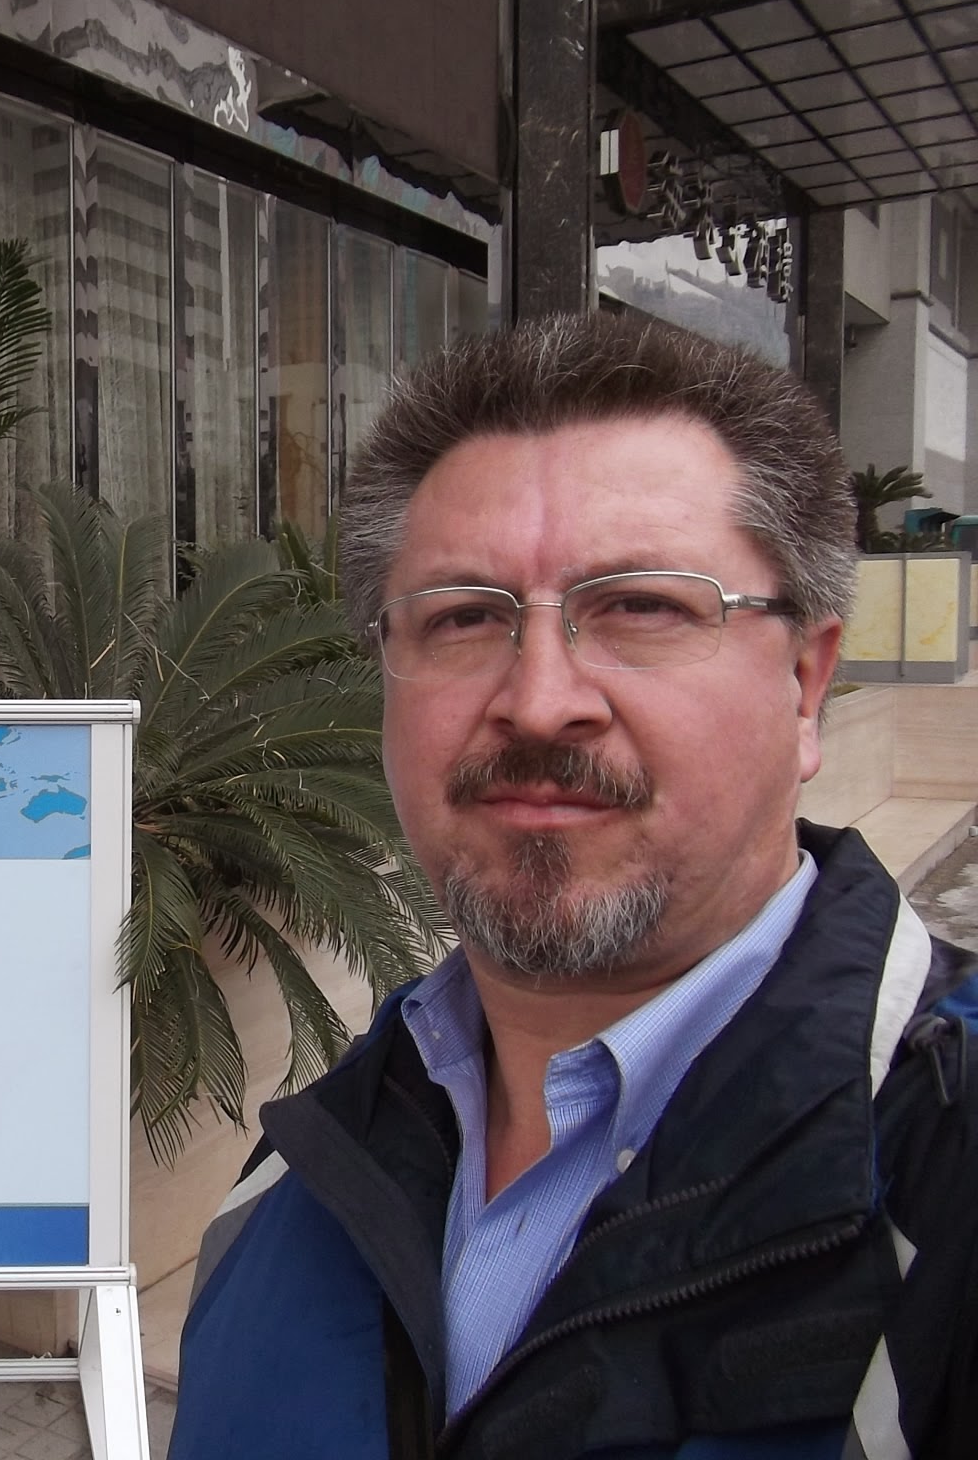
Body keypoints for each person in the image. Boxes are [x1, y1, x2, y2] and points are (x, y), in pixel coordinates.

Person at [168, 312, 978, 1460]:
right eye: (461, 617)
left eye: (640, 606)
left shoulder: (941, 1187)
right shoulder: (289, 1185)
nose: (539, 702)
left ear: (804, 685)